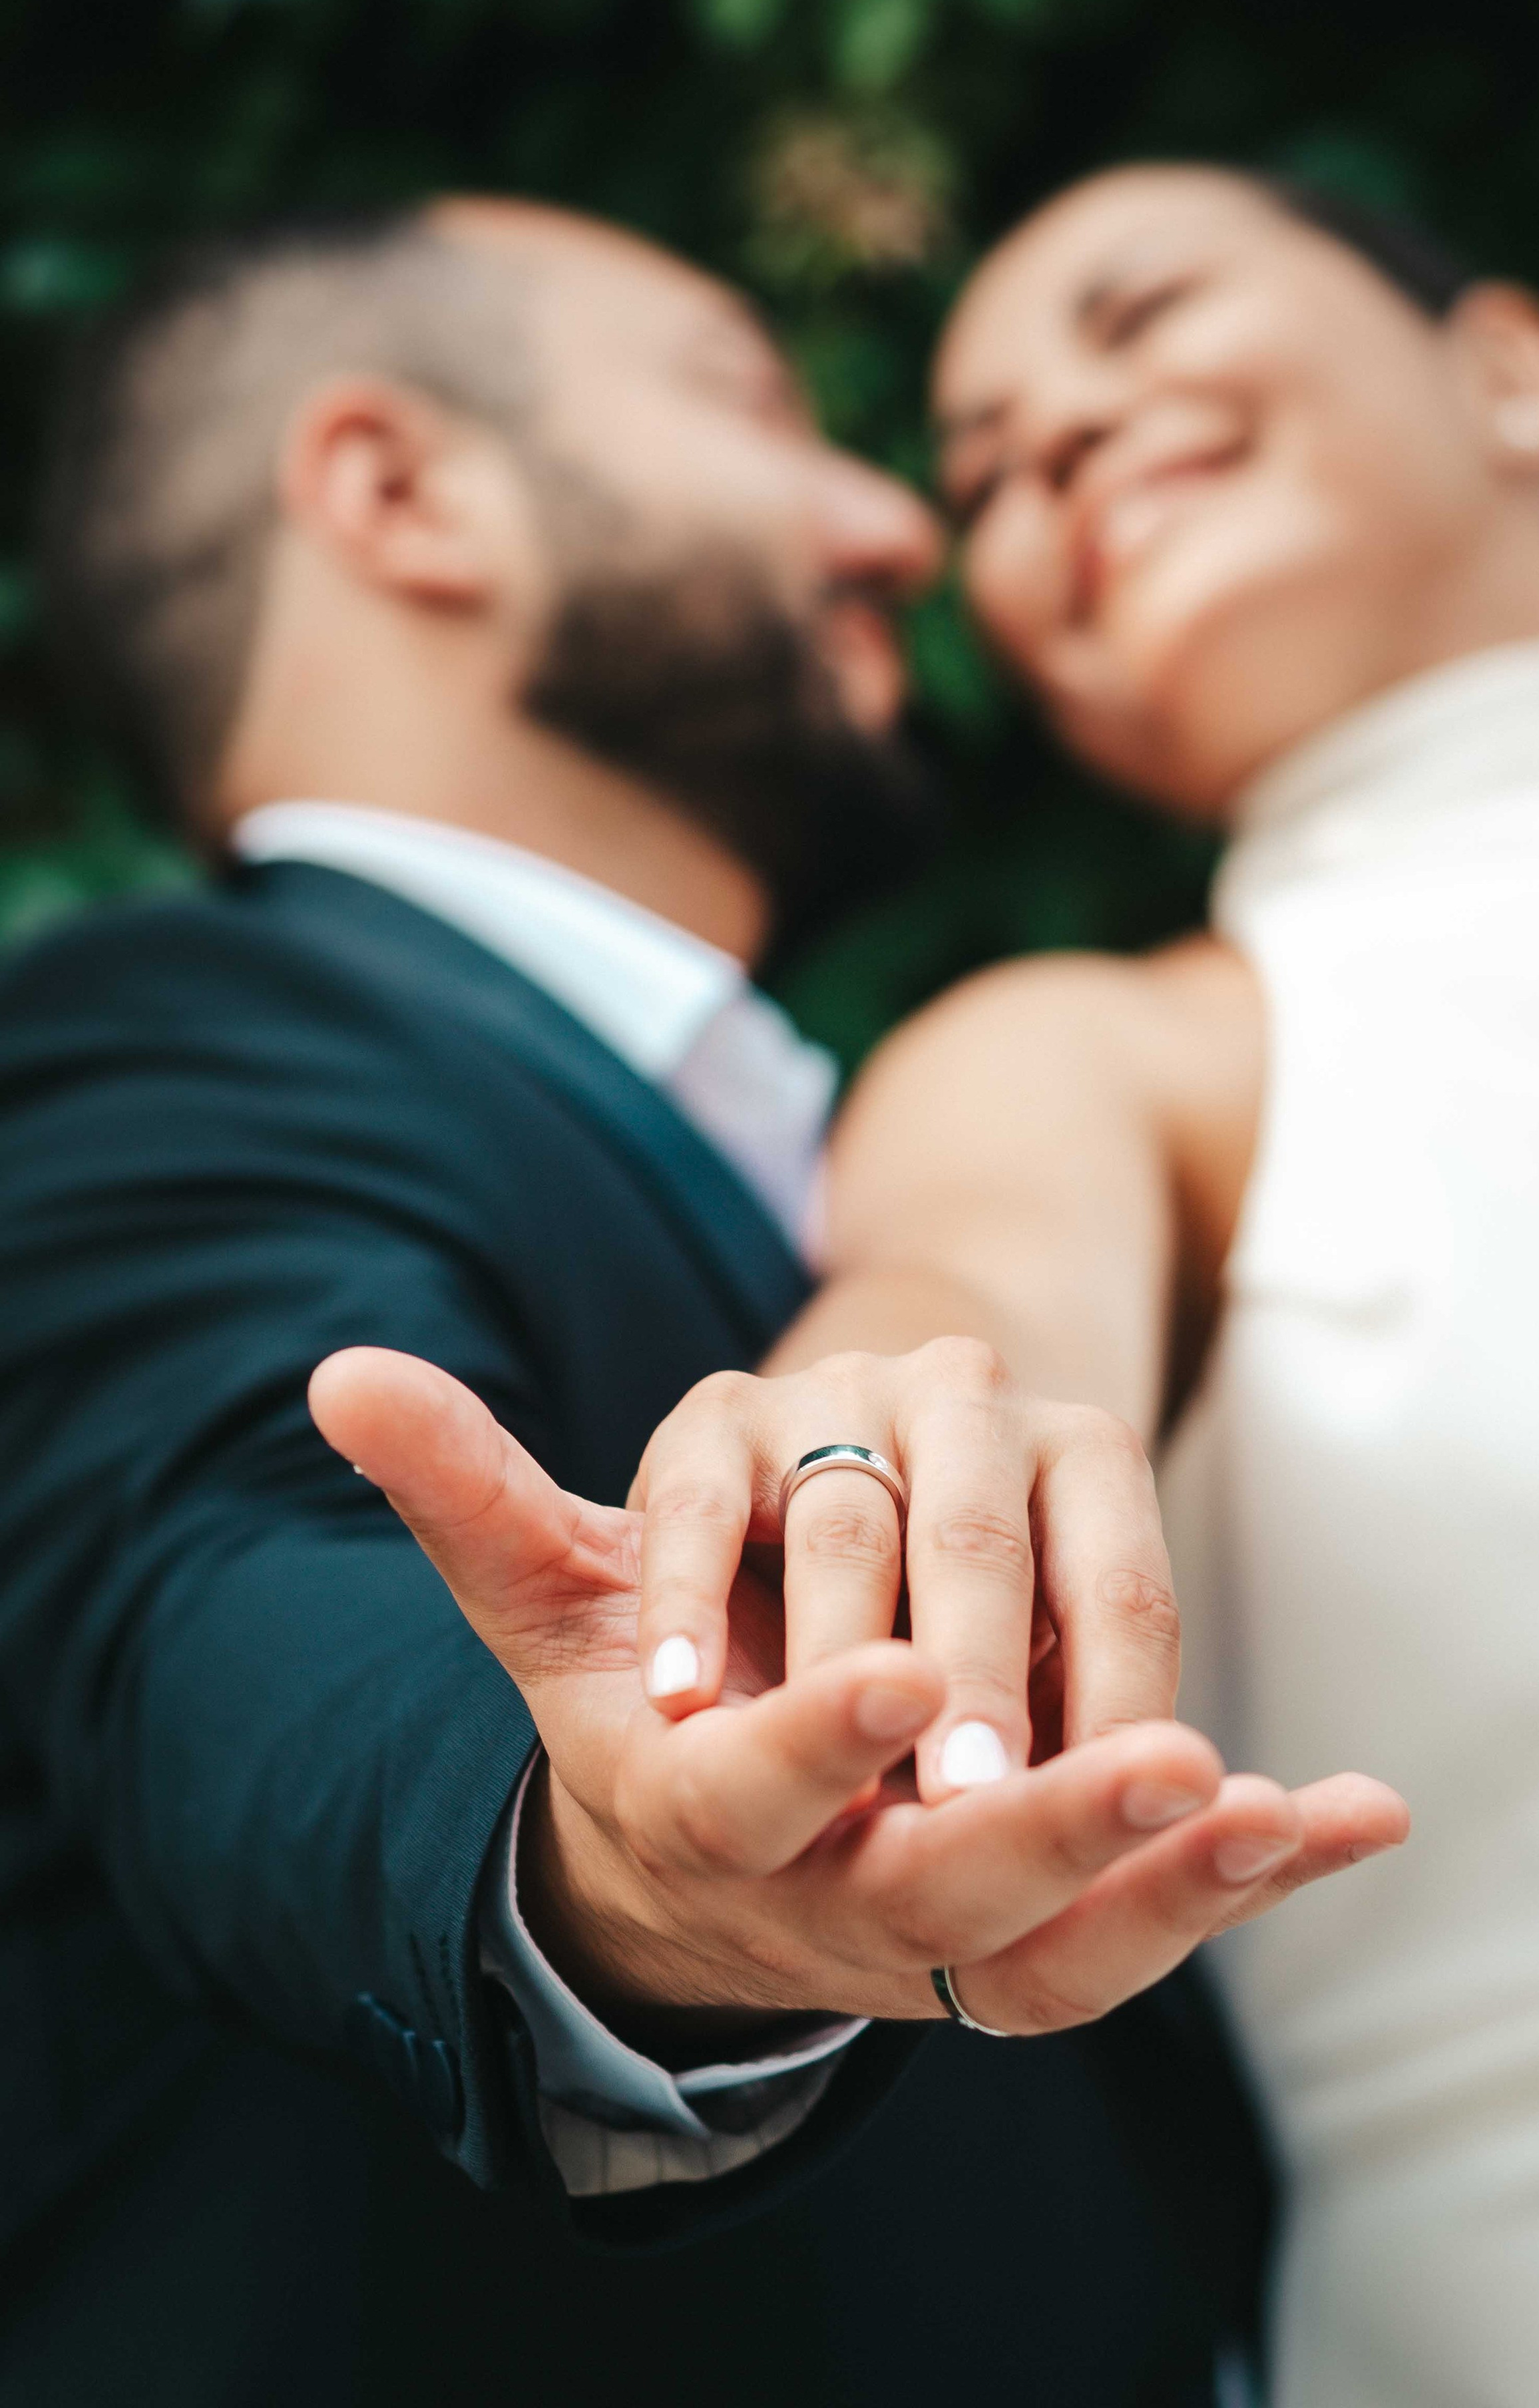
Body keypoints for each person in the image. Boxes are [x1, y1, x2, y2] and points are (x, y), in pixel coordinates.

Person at [0, 196, 1399, 2408]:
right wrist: (602, 1878)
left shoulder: (891, 1149)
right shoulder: (150, 1037)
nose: (901, 528)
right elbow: (219, 1579)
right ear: (399, 491)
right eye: (762, 404)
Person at [461, 162, 1539, 2405]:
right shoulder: (1107, 1050)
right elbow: (970, 1290)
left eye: (1140, 322)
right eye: (990, 468)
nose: (1060, 452)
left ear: (1512, 370)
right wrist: (854, 1473)